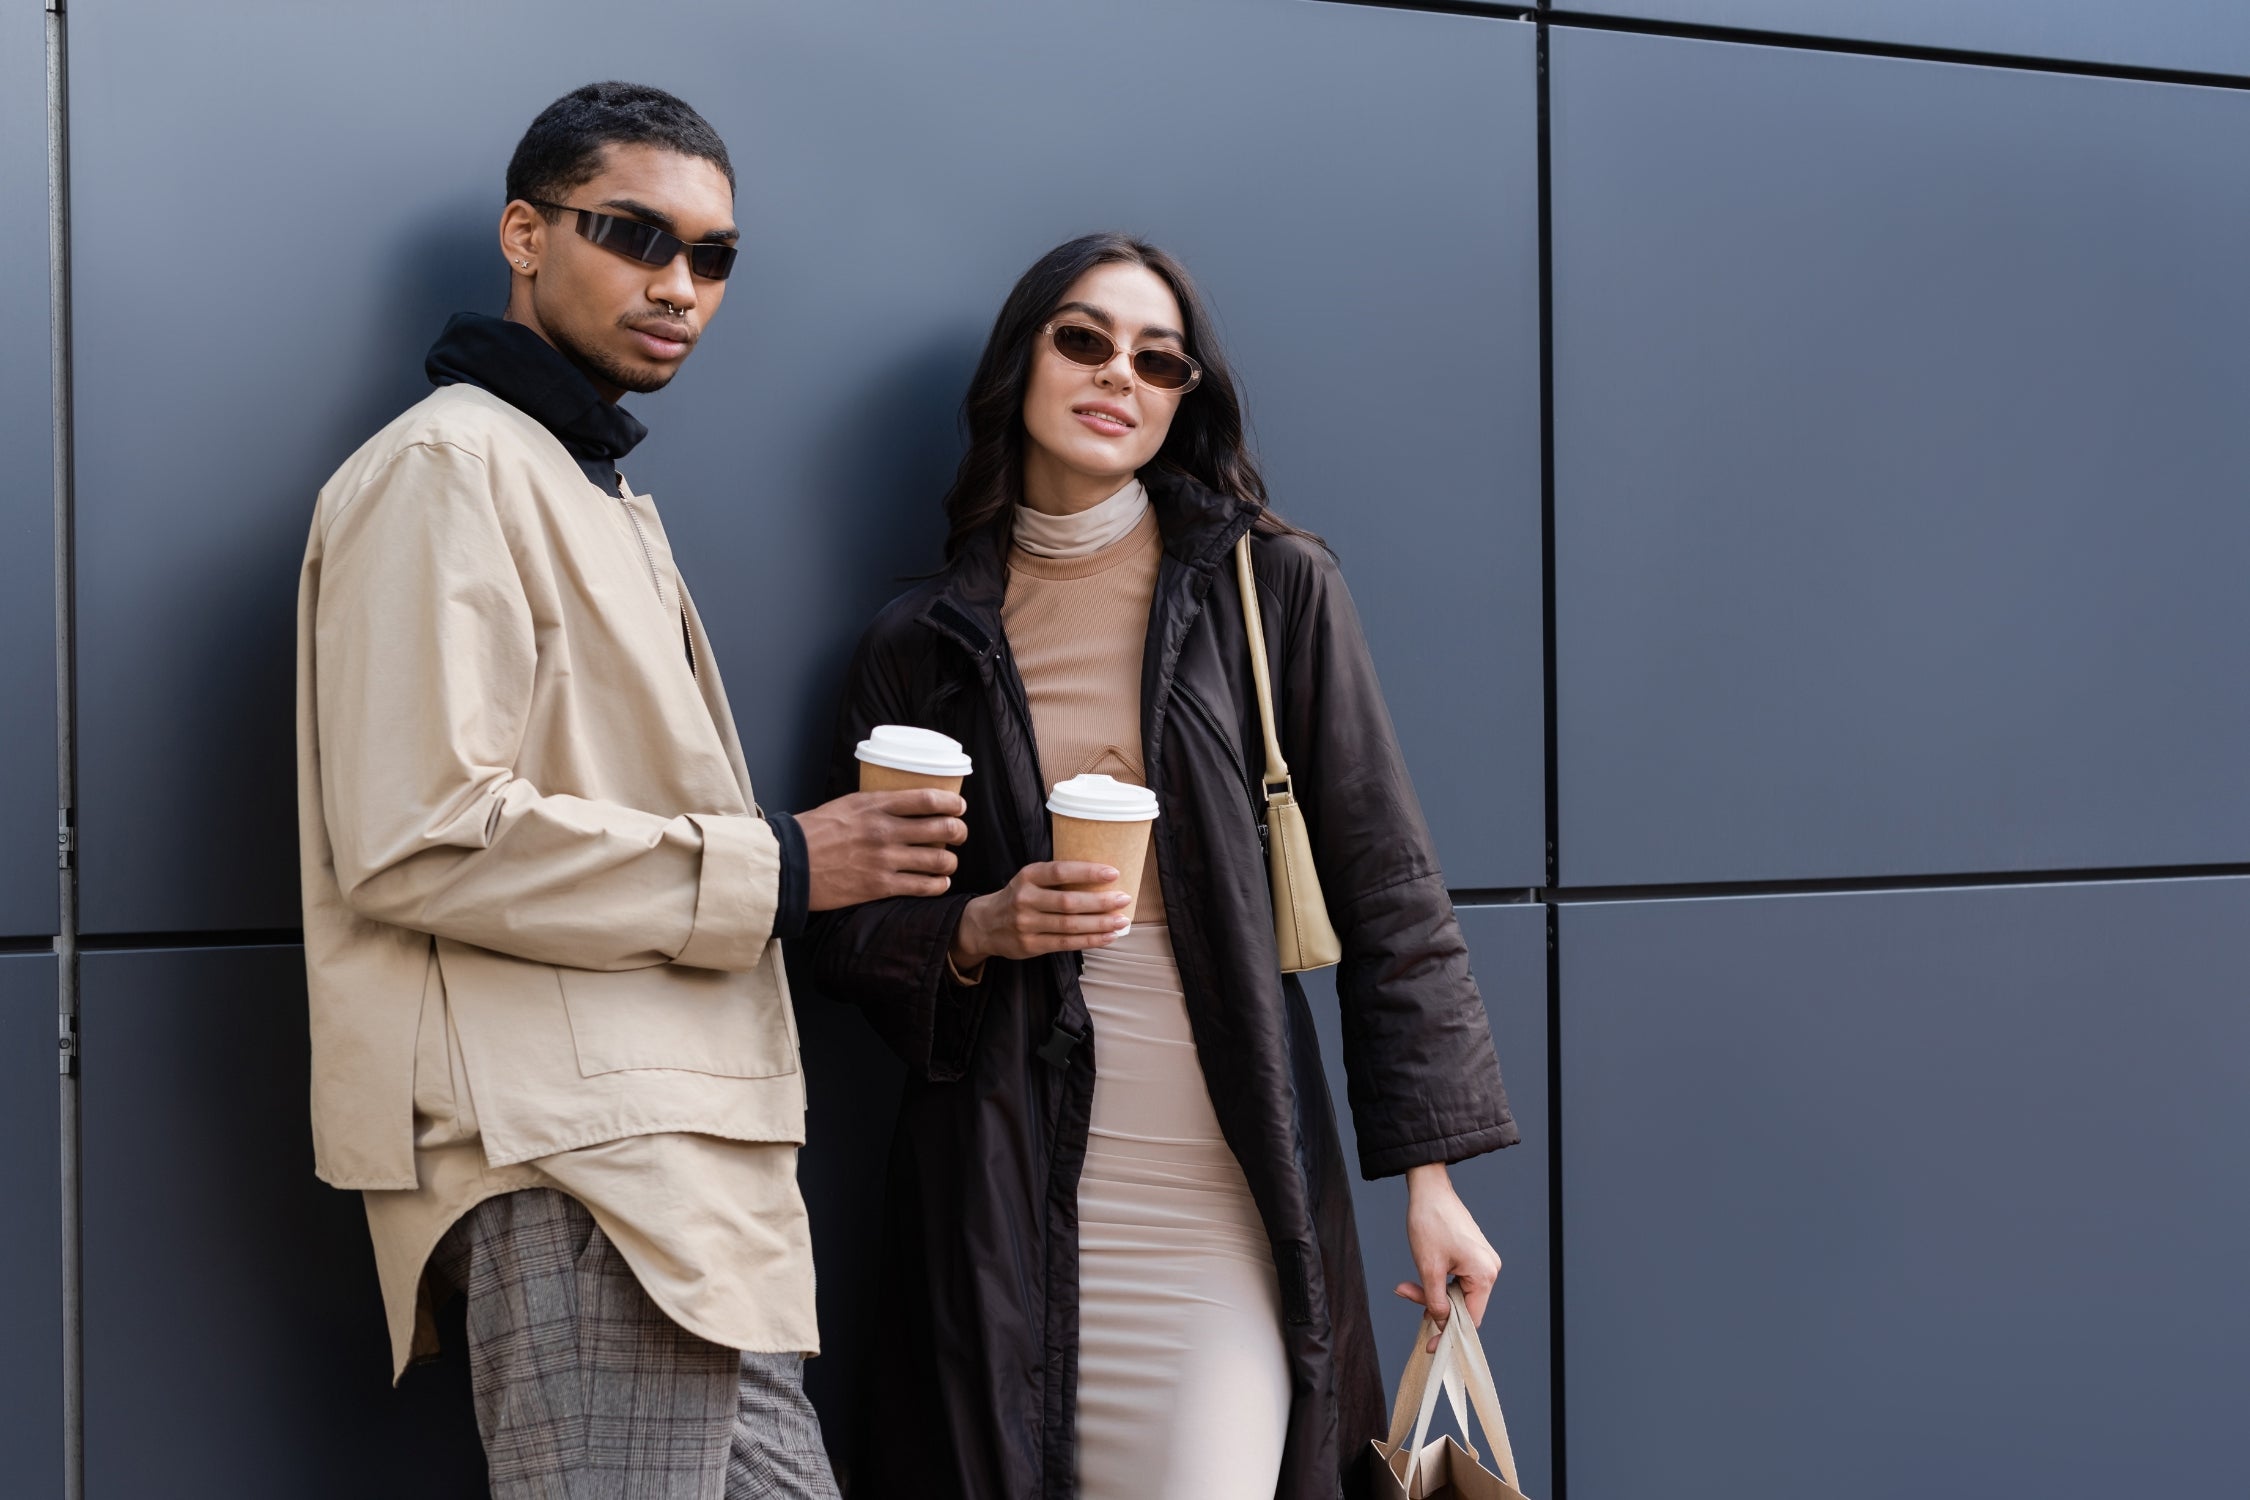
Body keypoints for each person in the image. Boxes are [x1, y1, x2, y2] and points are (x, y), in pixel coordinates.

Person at [293, 82, 965, 1498]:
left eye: (713, 257)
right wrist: (779, 869)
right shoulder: (448, 470)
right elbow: (414, 837)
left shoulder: (572, 480)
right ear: (525, 235)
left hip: (678, 1177)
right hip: (580, 1172)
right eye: (635, 237)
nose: (679, 285)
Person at [803, 233, 1518, 1500]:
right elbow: (854, 936)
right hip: (1000, 1186)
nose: (1117, 373)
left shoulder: (1267, 587)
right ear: (1020, 365)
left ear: (1188, 396)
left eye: (1157, 358)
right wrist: (980, 930)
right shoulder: (919, 642)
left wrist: (1431, 1181)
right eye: (1083, 339)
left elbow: (1389, 891)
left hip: (1219, 1169)